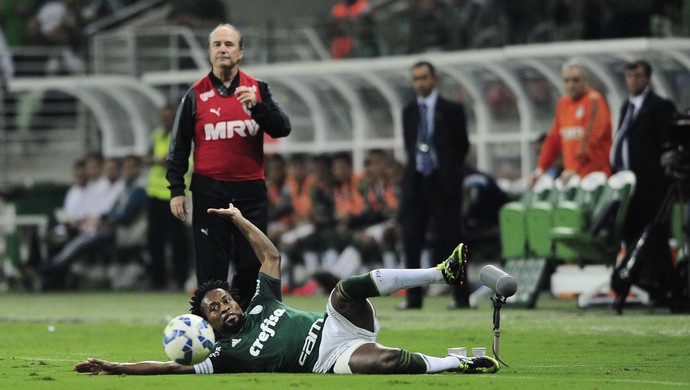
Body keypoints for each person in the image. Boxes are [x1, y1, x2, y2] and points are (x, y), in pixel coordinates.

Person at [74, 203, 499, 375]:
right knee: (385, 361)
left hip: (339, 324)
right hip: (331, 358)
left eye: (223, 299)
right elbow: (169, 368)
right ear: (206, 326)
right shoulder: (222, 356)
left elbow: (272, 257)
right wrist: (117, 368)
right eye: (214, 309)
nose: (222, 307)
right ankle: (459, 364)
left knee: (345, 288)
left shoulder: (261, 300)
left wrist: (239, 219)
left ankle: (440, 273)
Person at [166, 24, 291, 309]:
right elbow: (179, 147)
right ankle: (209, 334)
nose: (223, 49)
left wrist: (257, 107)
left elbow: (282, 128)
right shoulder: (195, 95)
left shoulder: (257, 89)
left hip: (251, 193)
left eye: (229, 44)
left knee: (251, 265)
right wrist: (177, 190)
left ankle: (243, 328)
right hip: (210, 192)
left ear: (241, 52)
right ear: (210, 52)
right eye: (217, 44)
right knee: (211, 271)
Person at [399, 61, 470, 310]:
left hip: (443, 182)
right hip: (417, 181)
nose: (420, 83)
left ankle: (461, 298)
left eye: (424, 77)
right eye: (416, 78)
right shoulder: (408, 111)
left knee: (454, 240)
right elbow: (409, 145)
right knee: (412, 240)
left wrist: (449, 170)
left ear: (434, 79)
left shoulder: (451, 109)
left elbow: (462, 146)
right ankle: (413, 298)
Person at [610, 59, 677, 304]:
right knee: (630, 235)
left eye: (637, 75)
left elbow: (666, 146)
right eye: (629, 75)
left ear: (647, 78)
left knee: (653, 237)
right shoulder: (626, 107)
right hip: (628, 187)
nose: (633, 80)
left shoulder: (660, 106)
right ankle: (637, 283)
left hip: (651, 186)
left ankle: (660, 287)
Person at [40, 155, 147, 290]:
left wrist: (103, 220)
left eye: (130, 167)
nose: (128, 170)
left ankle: (52, 267)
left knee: (82, 242)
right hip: (105, 226)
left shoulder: (138, 189)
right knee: (69, 233)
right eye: (126, 167)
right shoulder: (127, 187)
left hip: (122, 232)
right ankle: (54, 266)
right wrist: (103, 218)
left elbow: (124, 216)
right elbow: (112, 211)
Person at [529, 59, 612, 187]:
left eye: (575, 80)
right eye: (566, 81)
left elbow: (591, 138)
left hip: (595, 177)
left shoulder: (594, 101)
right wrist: (540, 169)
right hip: (572, 178)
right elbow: (553, 139)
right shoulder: (563, 104)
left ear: (585, 80)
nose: (571, 85)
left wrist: (576, 169)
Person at [145, 105, 190, 291]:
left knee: (178, 240)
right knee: (155, 240)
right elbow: (147, 158)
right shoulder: (156, 135)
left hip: (175, 195)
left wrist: (162, 160)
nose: (166, 120)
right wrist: (159, 160)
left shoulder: (183, 136)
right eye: (164, 116)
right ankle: (157, 280)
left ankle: (179, 280)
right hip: (155, 195)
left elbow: (186, 160)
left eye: (170, 116)